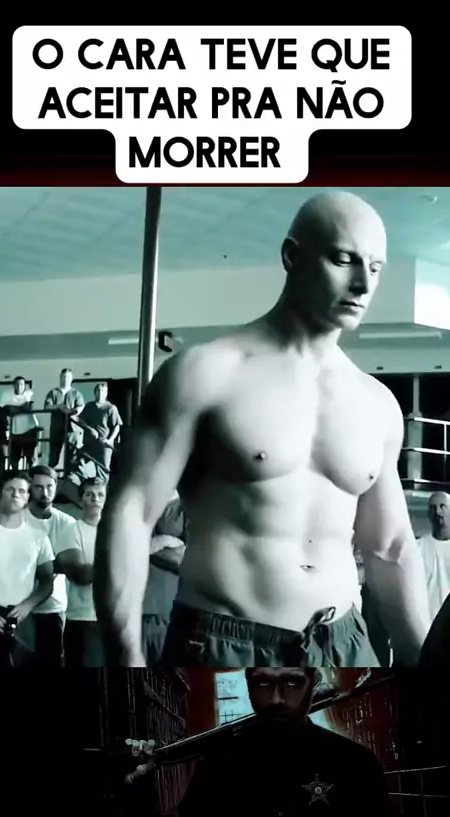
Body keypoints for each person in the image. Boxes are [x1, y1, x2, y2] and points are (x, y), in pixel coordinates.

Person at [94, 191, 430, 667]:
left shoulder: (376, 402)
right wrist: (125, 657)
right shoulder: (206, 373)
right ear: (292, 256)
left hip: (344, 645)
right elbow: (131, 513)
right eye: (344, 260)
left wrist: (424, 668)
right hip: (225, 644)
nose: (362, 284)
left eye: (375, 268)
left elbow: (389, 548)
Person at [127, 667, 396, 817]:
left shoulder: (355, 763)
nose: (276, 699)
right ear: (249, 684)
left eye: (292, 682)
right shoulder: (222, 763)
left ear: (313, 682)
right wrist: (143, 794)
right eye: (263, 683)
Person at [0, 470, 54, 667]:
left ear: (27, 497)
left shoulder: (39, 537)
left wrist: (28, 605)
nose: (16, 494)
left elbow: (47, 583)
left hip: (21, 617)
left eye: (22, 491)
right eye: (10, 489)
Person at [26, 465, 76, 667]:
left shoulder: (67, 523)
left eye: (49, 487)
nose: (45, 492)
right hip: (18, 606)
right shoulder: (16, 520)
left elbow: (69, 564)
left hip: (53, 607)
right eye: (38, 487)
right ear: (29, 488)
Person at [58, 478, 108, 667]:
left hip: (114, 620)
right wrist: (119, 562)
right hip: (84, 620)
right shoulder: (70, 531)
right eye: (90, 494)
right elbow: (81, 575)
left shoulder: (115, 531)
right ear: (81, 500)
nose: (95, 499)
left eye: (100, 494)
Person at [143, 493, 186, 665]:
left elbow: (187, 559)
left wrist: (143, 547)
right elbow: (120, 547)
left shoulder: (186, 509)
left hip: (165, 610)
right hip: (129, 609)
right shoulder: (136, 504)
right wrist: (164, 541)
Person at [417, 492, 450, 621]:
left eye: (442, 506)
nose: (437, 512)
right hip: (427, 624)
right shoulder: (417, 548)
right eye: (433, 507)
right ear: (428, 515)